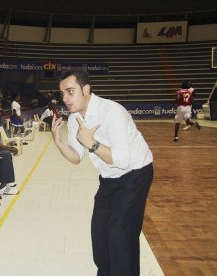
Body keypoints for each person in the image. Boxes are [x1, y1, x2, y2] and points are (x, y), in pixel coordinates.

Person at [52, 70, 153, 276]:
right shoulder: (74, 119)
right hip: (109, 179)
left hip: (135, 175)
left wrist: (92, 143)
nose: (65, 98)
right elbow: (76, 157)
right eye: (62, 93)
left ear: (86, 89)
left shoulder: (112, 111)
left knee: (120, 238)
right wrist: (59, 142)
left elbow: (122, 161)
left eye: (70, 91)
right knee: (100, 236)